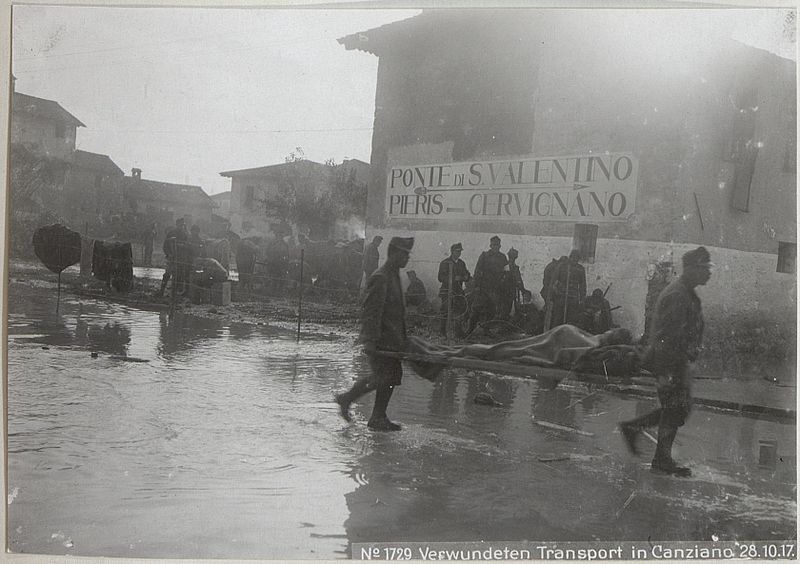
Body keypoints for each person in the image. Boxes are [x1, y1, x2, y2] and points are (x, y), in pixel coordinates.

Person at [618, 246, 713, 477]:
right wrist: (669, 372)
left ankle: (638, 432)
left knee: (678, 409)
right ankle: (658, 455)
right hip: (669, 362)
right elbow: (667, 337)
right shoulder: (678, 295)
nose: (708, 273)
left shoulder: (687, 293)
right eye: (704, 268)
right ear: (690, 269)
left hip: (676, 362)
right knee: (675, 409)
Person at [335, 236, 414, 432]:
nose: (407, 258)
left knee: (391, 376)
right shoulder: (381, 277)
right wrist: (370, 339)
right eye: (404, 254)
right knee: (382, 377)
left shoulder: (393, 276)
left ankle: (378, 416)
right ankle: (348, 399)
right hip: (381, 339)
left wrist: (403, 339)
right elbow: (371, 311)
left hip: (392, 339)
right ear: (394, 253)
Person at [468, 235, 509, 331]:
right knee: (477, 308)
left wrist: (503, 281)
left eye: (497, 245)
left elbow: (507, 271)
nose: (496, 247)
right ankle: (470, 330)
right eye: (494, 245)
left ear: (500, 246)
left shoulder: (503, 257)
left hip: (495, 288)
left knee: (492, 310)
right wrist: (477, 286)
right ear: (490, 245)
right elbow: (477, 271)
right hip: (483, 287)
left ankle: (486, 330)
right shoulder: (484, 256)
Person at [437, 242, 471, 336]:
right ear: (452, 251)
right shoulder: (445, 263)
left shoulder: (461, 263)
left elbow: (467, 275)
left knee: (459, 311)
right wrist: (453, 278)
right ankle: (442, 332)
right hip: (447, 291)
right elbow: (440, 277)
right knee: (445, 311)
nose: (459, 253)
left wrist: (465, 277)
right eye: (457, 251)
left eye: (460, 251)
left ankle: (458, 332)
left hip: (458, 291)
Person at [550, 249, 586, 327]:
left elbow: (583, 285)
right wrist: (555, 292)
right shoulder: (562, 266)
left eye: (577, 259)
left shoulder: (580, 269)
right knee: (558, 319)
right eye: (573, 258)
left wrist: (582, 299)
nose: (575, 260)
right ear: (570, 257)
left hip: (573, 298)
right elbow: (554, 281)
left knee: (571, 320)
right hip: (561, 297)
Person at [157, 217, 189, 296]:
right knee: (167, 274)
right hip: (171, 258)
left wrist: (182, 247)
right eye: (180, 225)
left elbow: (187, 246)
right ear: (177, 224)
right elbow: (165, 245)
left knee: (179, 276)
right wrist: (169, 254)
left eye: (183, 225)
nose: (181, 227)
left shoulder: (185, 235)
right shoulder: (171, 233)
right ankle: (162, 291)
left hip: (180, 259)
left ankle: (174, 293)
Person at [500, 247, 527, 320]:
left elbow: (519, 280)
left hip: (512, 291)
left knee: (512, 307)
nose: (512, 259)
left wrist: (522, 289)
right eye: (512, 257)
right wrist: (523, 289)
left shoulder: (513, 267)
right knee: (507, 308)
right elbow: (517, 280)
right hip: (507, 291)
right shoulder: (507, 267)